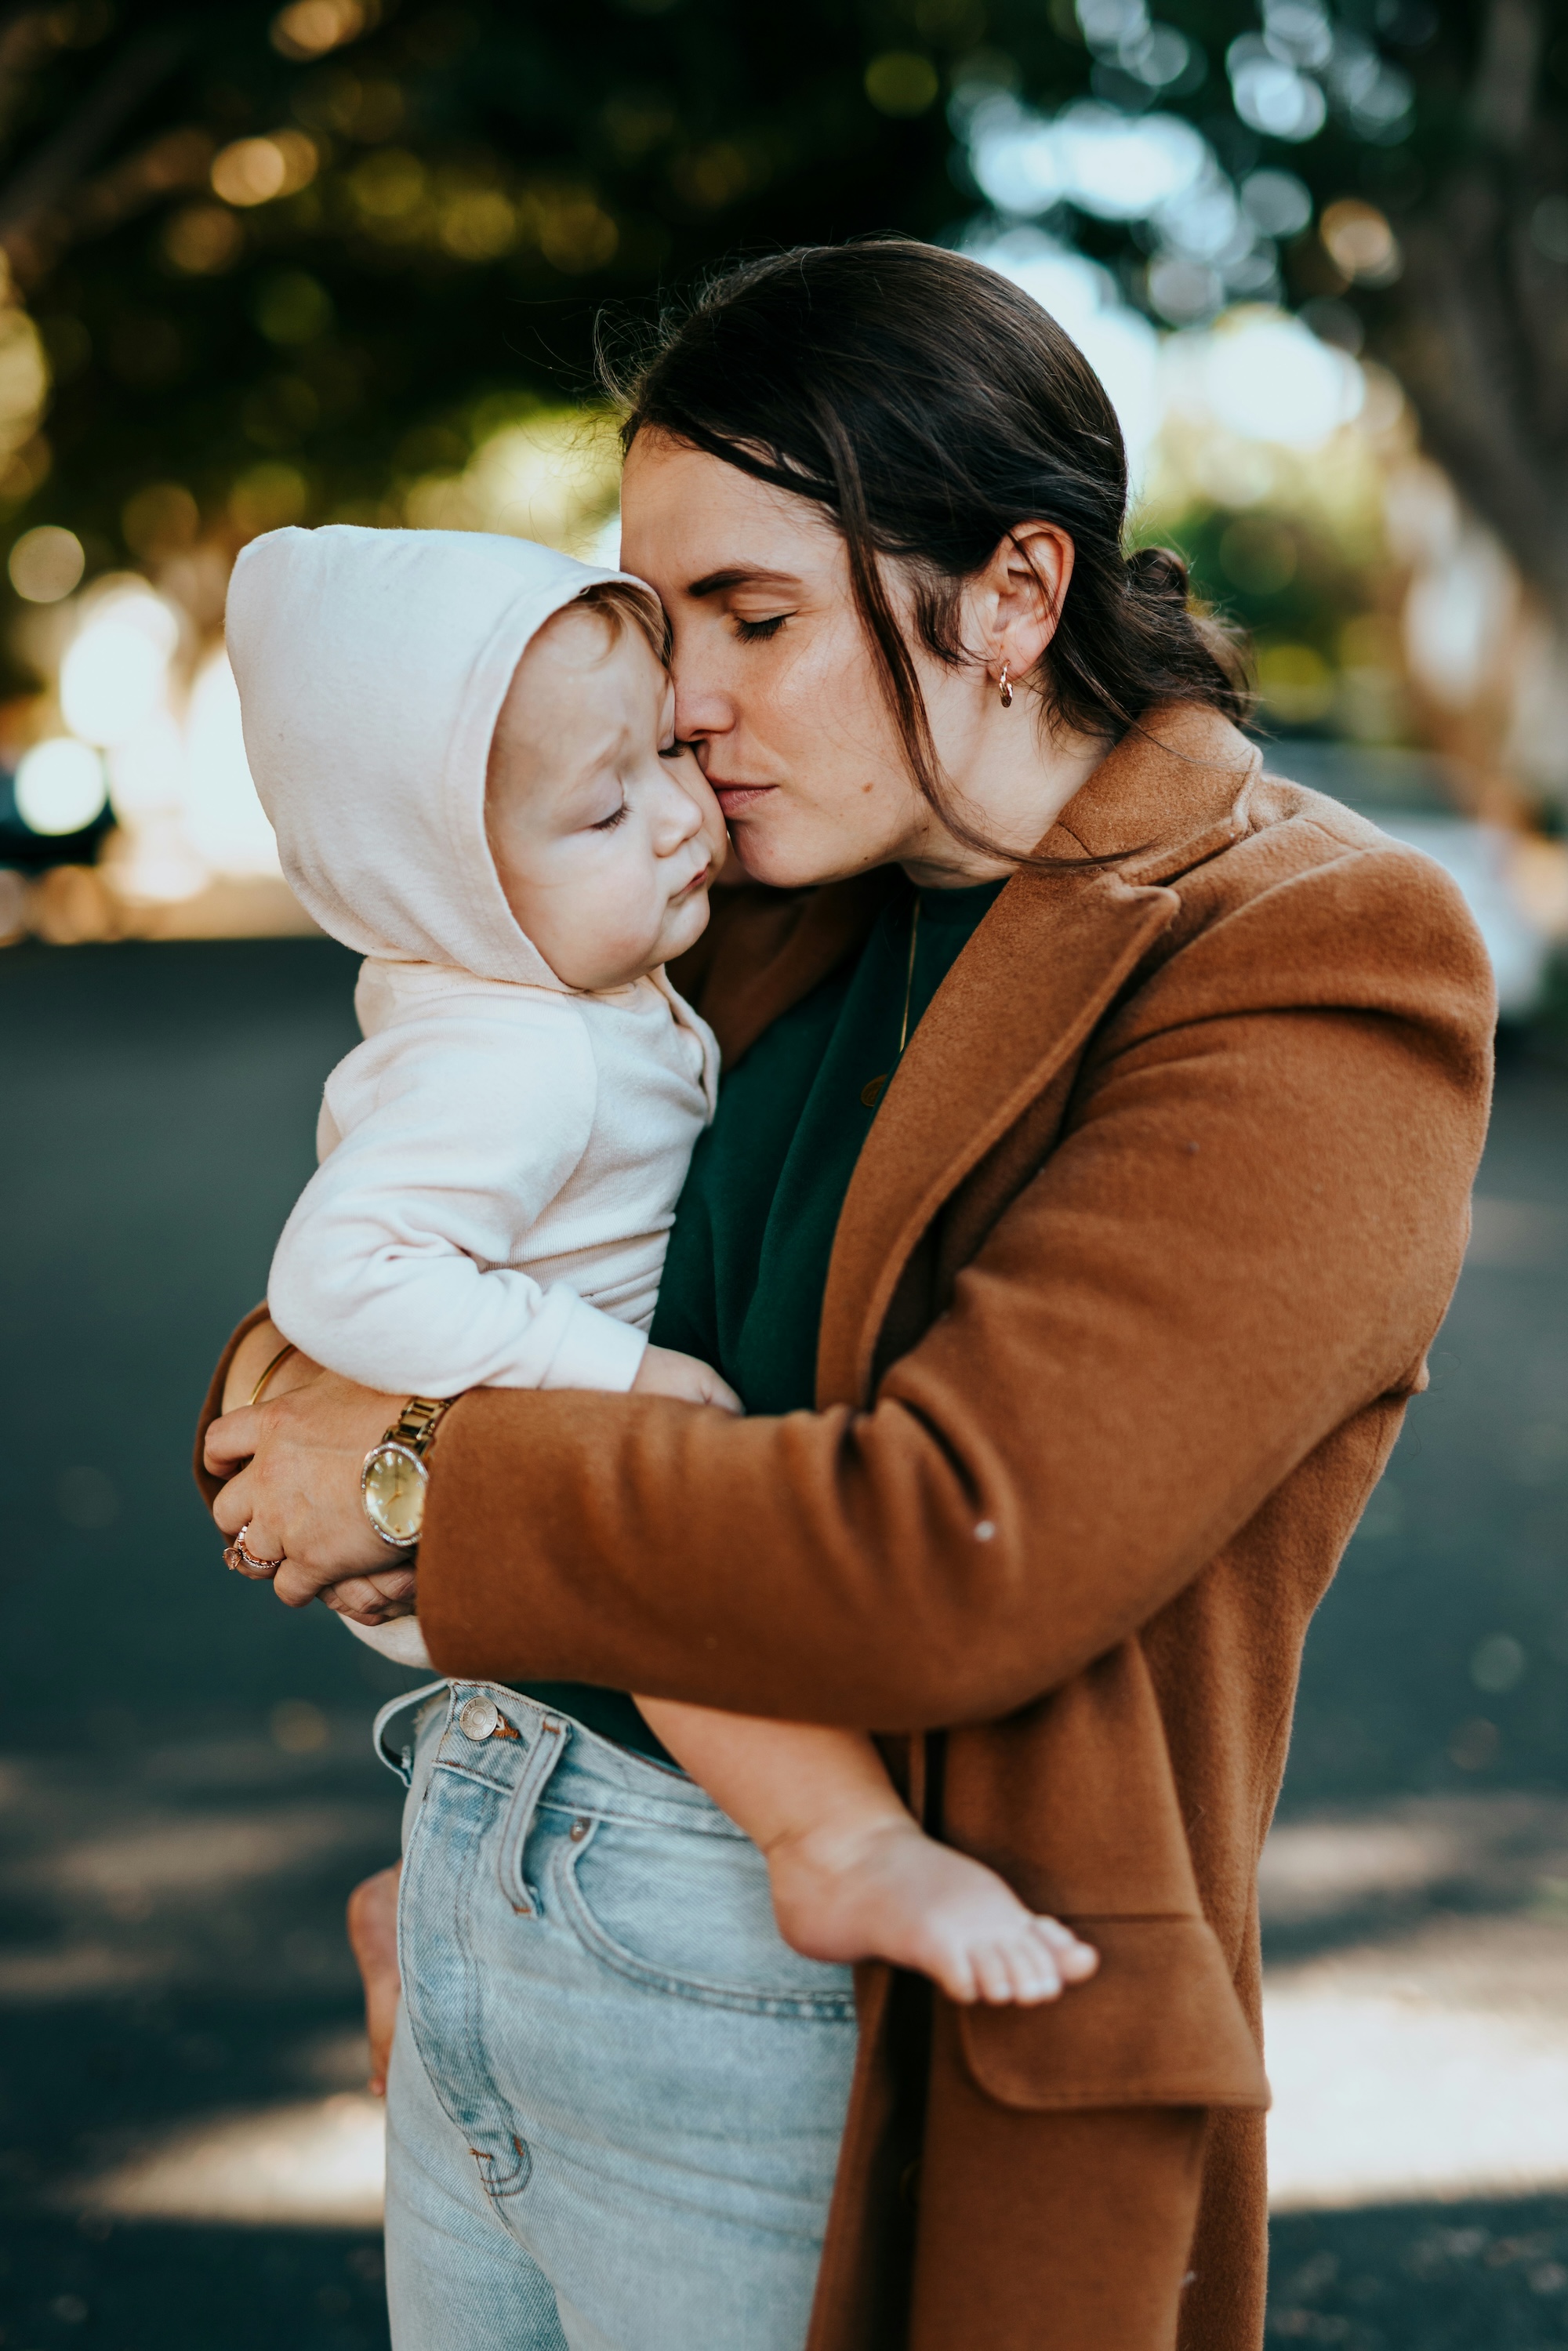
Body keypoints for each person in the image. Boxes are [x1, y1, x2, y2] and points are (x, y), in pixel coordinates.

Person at [198, 240, 1495, 2351]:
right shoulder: (743, 890)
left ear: (1014, 594)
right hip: (477, 1907)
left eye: (757, 615)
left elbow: (952, 1552)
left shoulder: (1310, 951)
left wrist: (429, 1482)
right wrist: (471, 1906)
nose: (682, 702)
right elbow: (354, 1298)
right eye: (661, 614)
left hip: (828, 2000)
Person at [226, 519, 1098, 2008]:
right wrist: (608, 1375)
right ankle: (833, 1841)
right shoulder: (513, 1055)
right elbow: (336, 1276)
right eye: (600, 811)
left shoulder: (584, 966)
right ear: (451, 883)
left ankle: (417, 1894)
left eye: (662, 762)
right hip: (528, 1505)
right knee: (675, 1532)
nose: (685, 812)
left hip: (477, 1515)